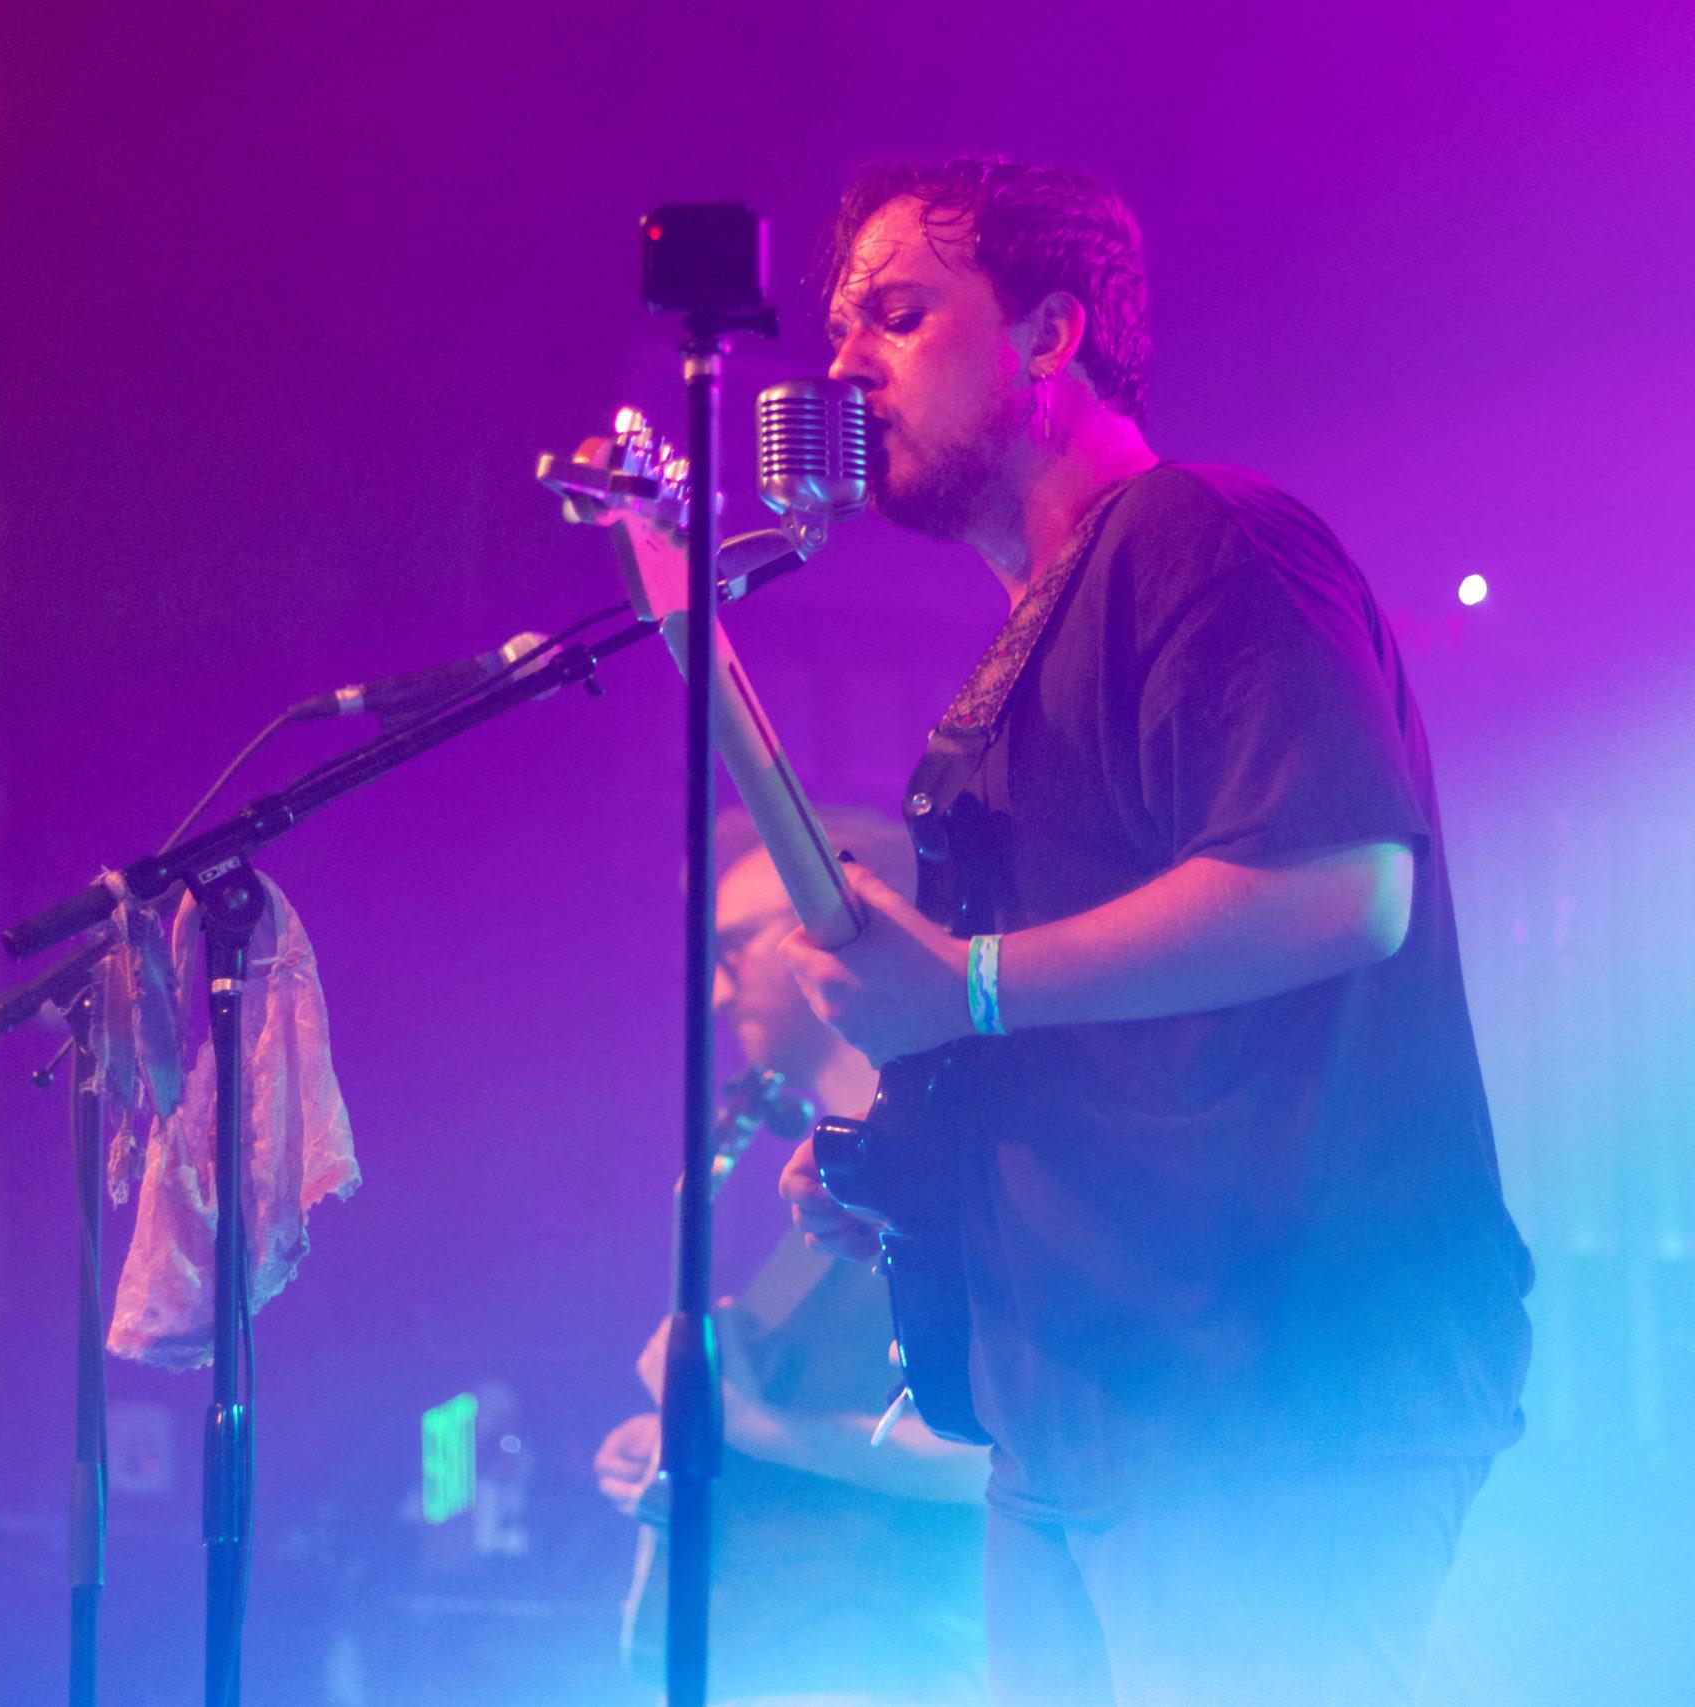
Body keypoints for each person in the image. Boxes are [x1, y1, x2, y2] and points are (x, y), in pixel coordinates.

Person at [772, 159, 1535, 1707]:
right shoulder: (1033, 631)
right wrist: (924, 1175)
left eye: (900, 315)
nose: (844, 364)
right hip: (1084, 1394)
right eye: (841, 324)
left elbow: (1343, 884)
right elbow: (1109, 1028)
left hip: (1271, 1385)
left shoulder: (1197, 536)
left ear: (1052, 335)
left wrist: (970, 985)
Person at [594, 808, 992, 1707]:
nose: (719, 994)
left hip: (894, 1664)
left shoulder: (972, 1160)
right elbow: (781, 1414)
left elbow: (1001, 1456)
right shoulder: (806, 1205)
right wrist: (672, 1446)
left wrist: (752, 1429)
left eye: (736, 950)